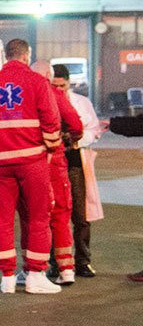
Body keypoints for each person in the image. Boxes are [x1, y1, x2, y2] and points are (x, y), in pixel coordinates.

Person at [0, 39, 62, 294]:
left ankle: (7, 277)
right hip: (32, 161)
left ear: (6, 56)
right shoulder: (37, 82)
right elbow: (51, 120)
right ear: (26, 55)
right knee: (38, 217)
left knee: (2, 219)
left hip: (0, 164)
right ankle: (35, 275)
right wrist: (50, 147)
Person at [22, 60, 82, 285]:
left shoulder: (22, 95)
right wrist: (69, 138)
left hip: (28, 162)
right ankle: (66, 269)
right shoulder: (53, 94)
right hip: (54, 160)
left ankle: (32, 269)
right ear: (49, 75)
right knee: (60, 213)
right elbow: (76, 125)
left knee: (33, 216)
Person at [53, 64, 103, 277]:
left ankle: (83, 260)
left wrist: (76, 140)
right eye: (54, 86)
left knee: (81, 216)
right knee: (54, 215)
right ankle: (55, 262)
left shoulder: (82, 103)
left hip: (76, 164)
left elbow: (94, 130)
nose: (58, 90)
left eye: (62, 86)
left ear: (68, 83)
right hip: (52, 166)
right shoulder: (44, 101)